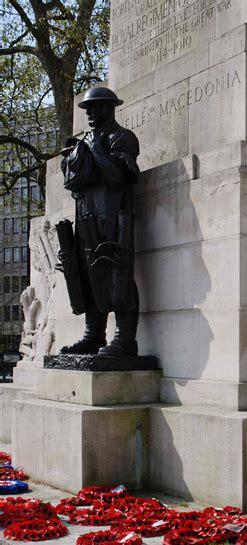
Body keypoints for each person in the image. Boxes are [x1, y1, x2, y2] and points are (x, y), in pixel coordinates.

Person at [56, 85, 140, 356]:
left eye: (95, 107)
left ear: (109, 107)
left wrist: (94, 149)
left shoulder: (122, 137)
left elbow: (117, 176)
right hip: (86, 216)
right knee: (86, 270)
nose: (90, 113)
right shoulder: (85, 141)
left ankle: (126, 339)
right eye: (88, 109)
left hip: (114, 216)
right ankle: (93, 336)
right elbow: (74, 181)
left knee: (119, 273)